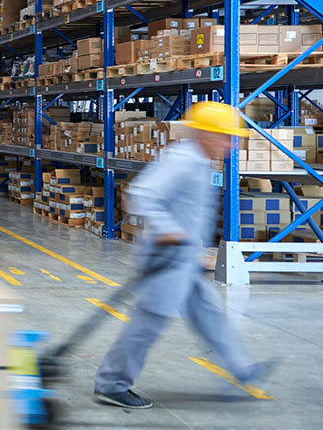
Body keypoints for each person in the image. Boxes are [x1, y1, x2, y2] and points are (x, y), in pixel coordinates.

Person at [94, 101, 273, 409]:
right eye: (225, 137)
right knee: (148, 323)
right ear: (204, 134)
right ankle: (112, 384)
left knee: (210, 314)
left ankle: (242, 369)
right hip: (166, 258)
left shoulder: (199, 160)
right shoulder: (182, 159)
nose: (231, 145)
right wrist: (168, 229)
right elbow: (141, 194)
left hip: (183, 260)